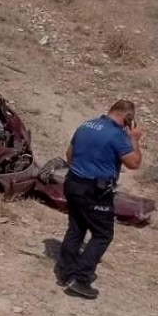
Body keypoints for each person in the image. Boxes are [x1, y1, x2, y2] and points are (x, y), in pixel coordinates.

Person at [55, 100, 144, 299]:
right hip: (94, 191)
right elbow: (134, 163)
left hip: (73, 183)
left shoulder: (86, 125)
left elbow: (69, 155)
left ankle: (65, 272)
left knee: (76, 228)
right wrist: (135, 139)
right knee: (102, 234)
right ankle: (81, 279)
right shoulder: (118, 135)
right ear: (128, 118)